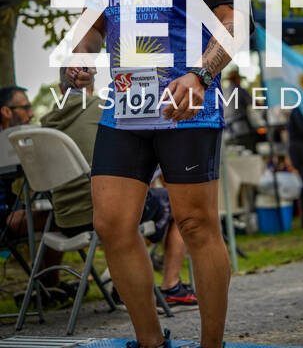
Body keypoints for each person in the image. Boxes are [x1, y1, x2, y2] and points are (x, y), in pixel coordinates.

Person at [66, 0, 245, 348]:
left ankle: (211, 344)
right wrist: (79, 58)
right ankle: (151, 342)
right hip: (125, 107)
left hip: (186, 105)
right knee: (111, 224)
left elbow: (234, 23)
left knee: (196, 224)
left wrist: (200, 75)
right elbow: (93, 26)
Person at [41, 68, 197, 307]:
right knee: (181, 206)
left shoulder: (44, 126)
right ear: (91, 84)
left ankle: (119, 283)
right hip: (105, 214)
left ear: (61, 89)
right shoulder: (105, 111)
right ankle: (171, 285)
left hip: (65, 220)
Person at [0, 85, 64, 297]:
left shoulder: (10, 144)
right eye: (25, 107)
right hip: (4, 218)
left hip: (9, 212)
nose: (32, 114)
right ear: (6, 111)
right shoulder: (6, 144)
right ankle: (50, 287)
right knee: (58, 217)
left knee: (50, 215)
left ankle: (45, 288)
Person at [223, 68, 258, 152]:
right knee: (249, 151)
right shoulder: (239, 90)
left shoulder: (224, 91)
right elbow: (254, 103)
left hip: (227, 131)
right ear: (236, 79)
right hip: (241, 128)